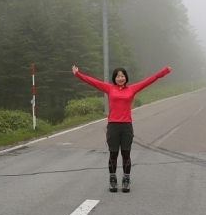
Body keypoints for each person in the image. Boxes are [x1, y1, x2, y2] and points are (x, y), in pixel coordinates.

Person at [72, 64, 172, 192]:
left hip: (126, 126)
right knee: (113, 154)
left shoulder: (132, 89)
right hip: (113, 126)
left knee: (126, 154)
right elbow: (92, 82)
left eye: (122, 76)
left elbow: (149, 80)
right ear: (114, 78)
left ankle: (126, 179)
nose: (120, 78)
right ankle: (113, 180)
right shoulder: (109, 88)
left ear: (126, 78)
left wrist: (164, 71)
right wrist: (78, 74)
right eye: (118, 76)